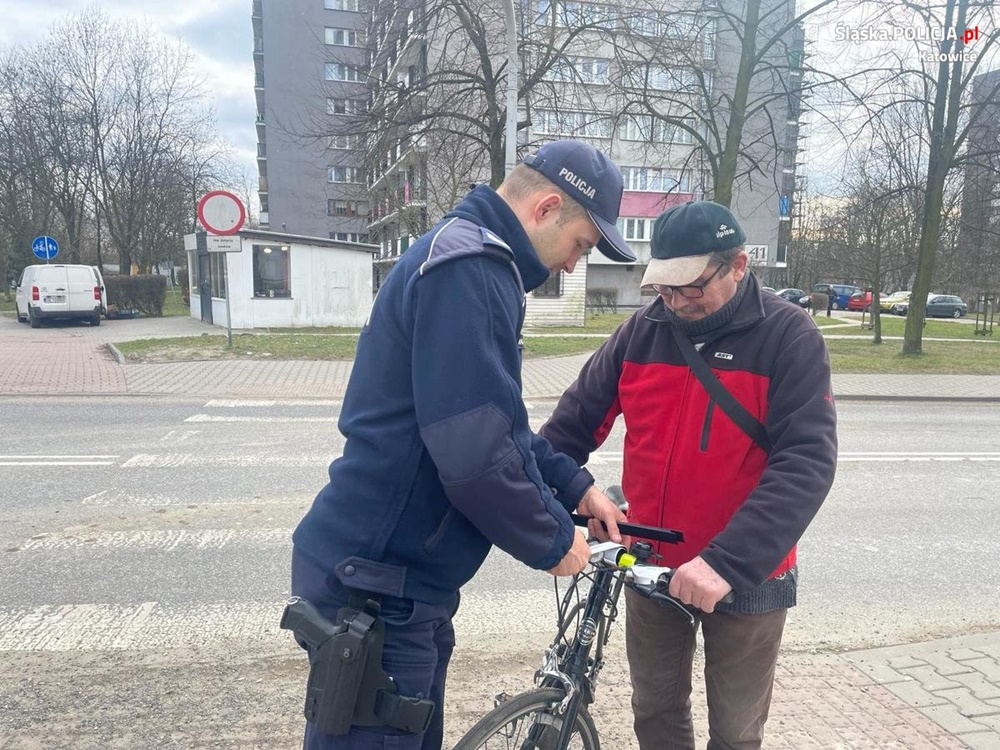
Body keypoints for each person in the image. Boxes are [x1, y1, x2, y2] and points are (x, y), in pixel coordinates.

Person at [289, 139, 634, 750]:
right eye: (581, 244)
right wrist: (556, 541)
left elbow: (496, 421)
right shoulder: (471, 269)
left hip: (399, 583)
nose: (573, 264)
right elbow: (476, 452)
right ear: (546, 208)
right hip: (378, 587)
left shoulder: (469, 258)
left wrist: (575, 488)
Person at [539, 200, 838, 750]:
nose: (674, 302)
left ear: (738, 266)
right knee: (654, 712)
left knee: (736, 730)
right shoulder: (641, 331)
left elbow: (807, 462)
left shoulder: (788, 336)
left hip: (747, 573)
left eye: (690, 287)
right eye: (663, 287)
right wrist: (572, 492)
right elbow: (568, 429)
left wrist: (727, 563)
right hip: (651, 562)